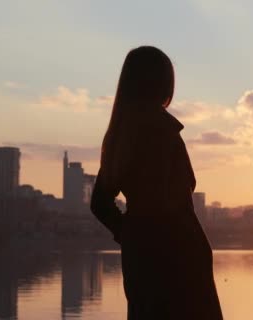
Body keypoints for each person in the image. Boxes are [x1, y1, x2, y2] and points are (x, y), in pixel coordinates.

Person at [91, 46, 223, 320]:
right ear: (161, 83)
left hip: (142, 256)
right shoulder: (161, 131)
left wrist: (131, 234)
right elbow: (172, 201)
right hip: (179, 258)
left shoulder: (121, 134)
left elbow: (100, 203)